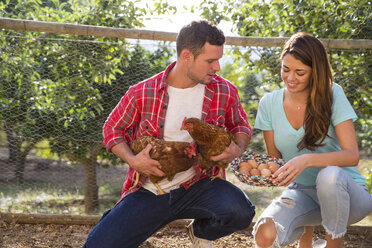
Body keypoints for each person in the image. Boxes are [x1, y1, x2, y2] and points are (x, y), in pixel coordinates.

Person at [83, 20, 255, 248]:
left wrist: (237, 148)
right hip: (151, 190)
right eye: (211, 61)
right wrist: (133, 160)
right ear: (187, 56)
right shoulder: (142, 92)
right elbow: (112, 129)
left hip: (201, 185)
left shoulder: (224, 91)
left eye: (219, 59)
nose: (217, 67)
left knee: (241, 211)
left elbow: (241, 126)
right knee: (98, 245)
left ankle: (201, 231)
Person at [252, 32, 372, 248]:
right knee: (265, 234)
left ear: (315, 72)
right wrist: (256, 171)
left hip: (348, 195)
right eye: (285, 69)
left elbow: (352, 155)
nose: (290, 78)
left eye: (300, 72)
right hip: (303, 194)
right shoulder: (268, 103)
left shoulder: (333, 94)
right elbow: (275, 161)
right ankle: (307, 238)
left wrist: (305, 160)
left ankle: (333, 246)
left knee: (329, 175)